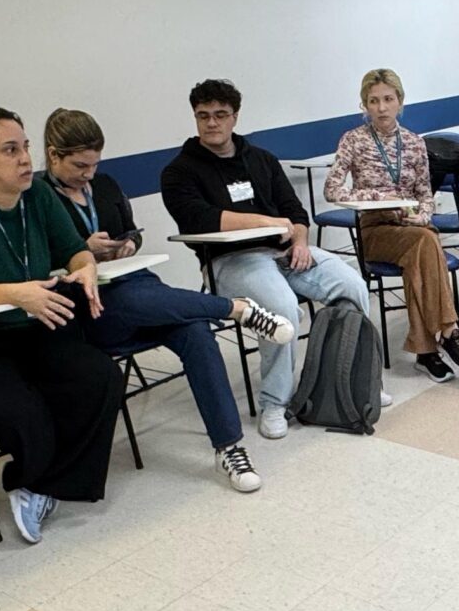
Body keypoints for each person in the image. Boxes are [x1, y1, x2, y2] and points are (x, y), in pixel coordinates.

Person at [41, 108, 292, 493]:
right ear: (53, 155)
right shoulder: (39, 198)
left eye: (94, 164)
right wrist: (79, 251)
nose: (89, 173)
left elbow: (132, 232)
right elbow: (39, 259)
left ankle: (229, 447)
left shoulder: (105, 185)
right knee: (142, 304)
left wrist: (127, 244)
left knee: (193, 330)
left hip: (132, 281)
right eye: (79, 165)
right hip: (88, 303)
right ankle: (235, 309)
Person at [0, 110, 129, 543]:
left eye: (25, 147)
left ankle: (43, 484)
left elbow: (74, 250)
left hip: (35, 326)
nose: (24, 159)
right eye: (10, 150)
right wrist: (16, 293)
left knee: (101, 378)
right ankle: (32, 479)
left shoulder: (37, 194)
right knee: (25, 415)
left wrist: (87, 269)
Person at [158, 78, 381, 437]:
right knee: (283, 309)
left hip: (287, 252)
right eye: (203, 116)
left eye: (220, 115)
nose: (211, 123)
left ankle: (351, 382)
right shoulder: (179, 171)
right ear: (195, 118)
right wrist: (268, 221)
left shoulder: (260, 159)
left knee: (352, 286)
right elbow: (199, 218)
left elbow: (294, 210)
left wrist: (301, 241)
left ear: (235, 117)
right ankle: (275, 403)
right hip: (230, 261)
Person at [323, 68, 459, 381]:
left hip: (412, 227)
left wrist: (418, 216)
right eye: (373, 100)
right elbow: (332, 189)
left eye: (388, 99)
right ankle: (449, 329)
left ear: (400, 102)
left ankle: (426, 352)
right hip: (376, 229)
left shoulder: (414, 143)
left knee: (421, 248)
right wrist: (377, 195)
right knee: (425, 242)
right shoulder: (353, 140)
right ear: (364, 105)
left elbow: (425, 195)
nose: (381, 107)